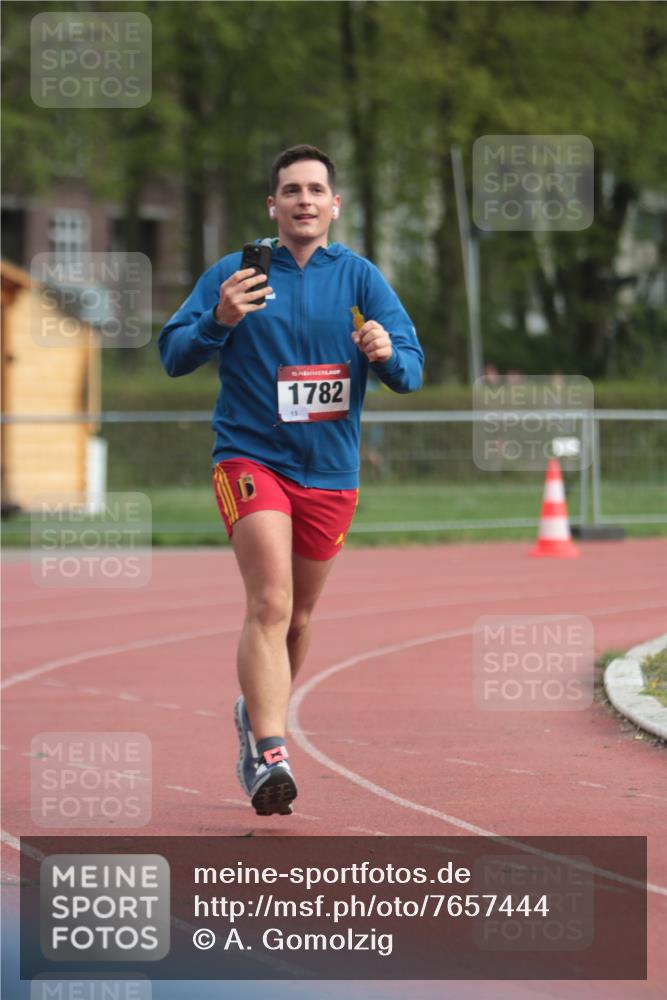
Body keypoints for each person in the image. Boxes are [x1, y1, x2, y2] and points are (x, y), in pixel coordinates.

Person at [158, 144, 424, 816]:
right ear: (270, 206)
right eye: (290, 190)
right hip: (250, 457)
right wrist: (219, 319)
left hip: (329, 470)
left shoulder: (360, 278)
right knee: (270, 601)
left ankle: (254, 714)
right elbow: (171, 354)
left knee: (299, 617)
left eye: (315, 190)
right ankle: (269, 751)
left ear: (334, 205)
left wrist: (386, 352)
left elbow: (412, 369)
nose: (303, 200)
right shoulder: (236, 273)